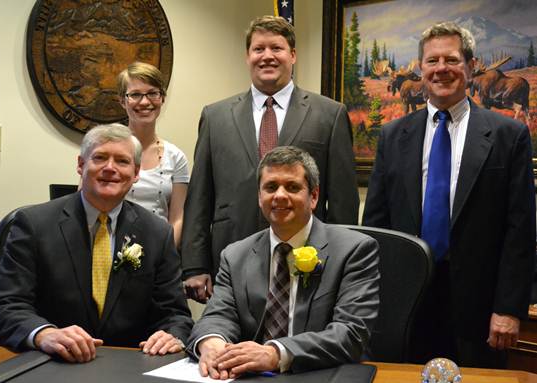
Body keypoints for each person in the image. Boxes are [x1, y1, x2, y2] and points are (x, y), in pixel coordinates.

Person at [363, 21, 535, 367]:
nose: (441, 68)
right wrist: (372, 304)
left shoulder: (508, 135)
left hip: (480, 311)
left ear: (470, 67)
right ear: (421, 69)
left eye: (452, 60)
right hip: (406, 305)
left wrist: (508, 308)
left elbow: (521, 231)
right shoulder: (394, 135)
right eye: (432, 61)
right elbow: (376, 229)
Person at [181, 16, 360, 302]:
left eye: (276, 48)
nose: (267, 56)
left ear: (293, 55)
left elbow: (343, 202)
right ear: (247, 56)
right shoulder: (215, 117)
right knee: (232, 342)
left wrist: (341, 264)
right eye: (258, 49)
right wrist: (194, 265)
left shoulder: (329, 114)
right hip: (231, 257)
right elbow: (200, 196)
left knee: (297, 342)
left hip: (307, 260)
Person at [0, 124, 193, 363]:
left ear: (136, 173)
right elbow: (5, 307)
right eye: (100, 158)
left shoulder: (157, 233)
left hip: (129, 368)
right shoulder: (33, 225)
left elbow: (175, 315)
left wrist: (171, 335)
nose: (110, 168)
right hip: (52, 362)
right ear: (81, 165)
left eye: (122, 161)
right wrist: (44, 334)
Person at [187, 146, 379, 379]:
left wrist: (276, 353)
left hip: (323, 373)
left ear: (314, 196)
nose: (279, 195)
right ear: (259, 197)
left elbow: (351, 333)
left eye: (292, 187)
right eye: (270, 187)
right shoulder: (235, 255)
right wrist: (213, 343)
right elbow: (218, 316)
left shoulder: (354, 250)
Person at [118, 62, 189, 248]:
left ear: (162, 98)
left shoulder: (176, 157)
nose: (145, 102)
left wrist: (164, 257)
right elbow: (85, 206)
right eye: (135, 95)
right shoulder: (108, 149)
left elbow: (178, 218)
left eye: (152, 93)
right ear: (122, 100)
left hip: (161, 253)